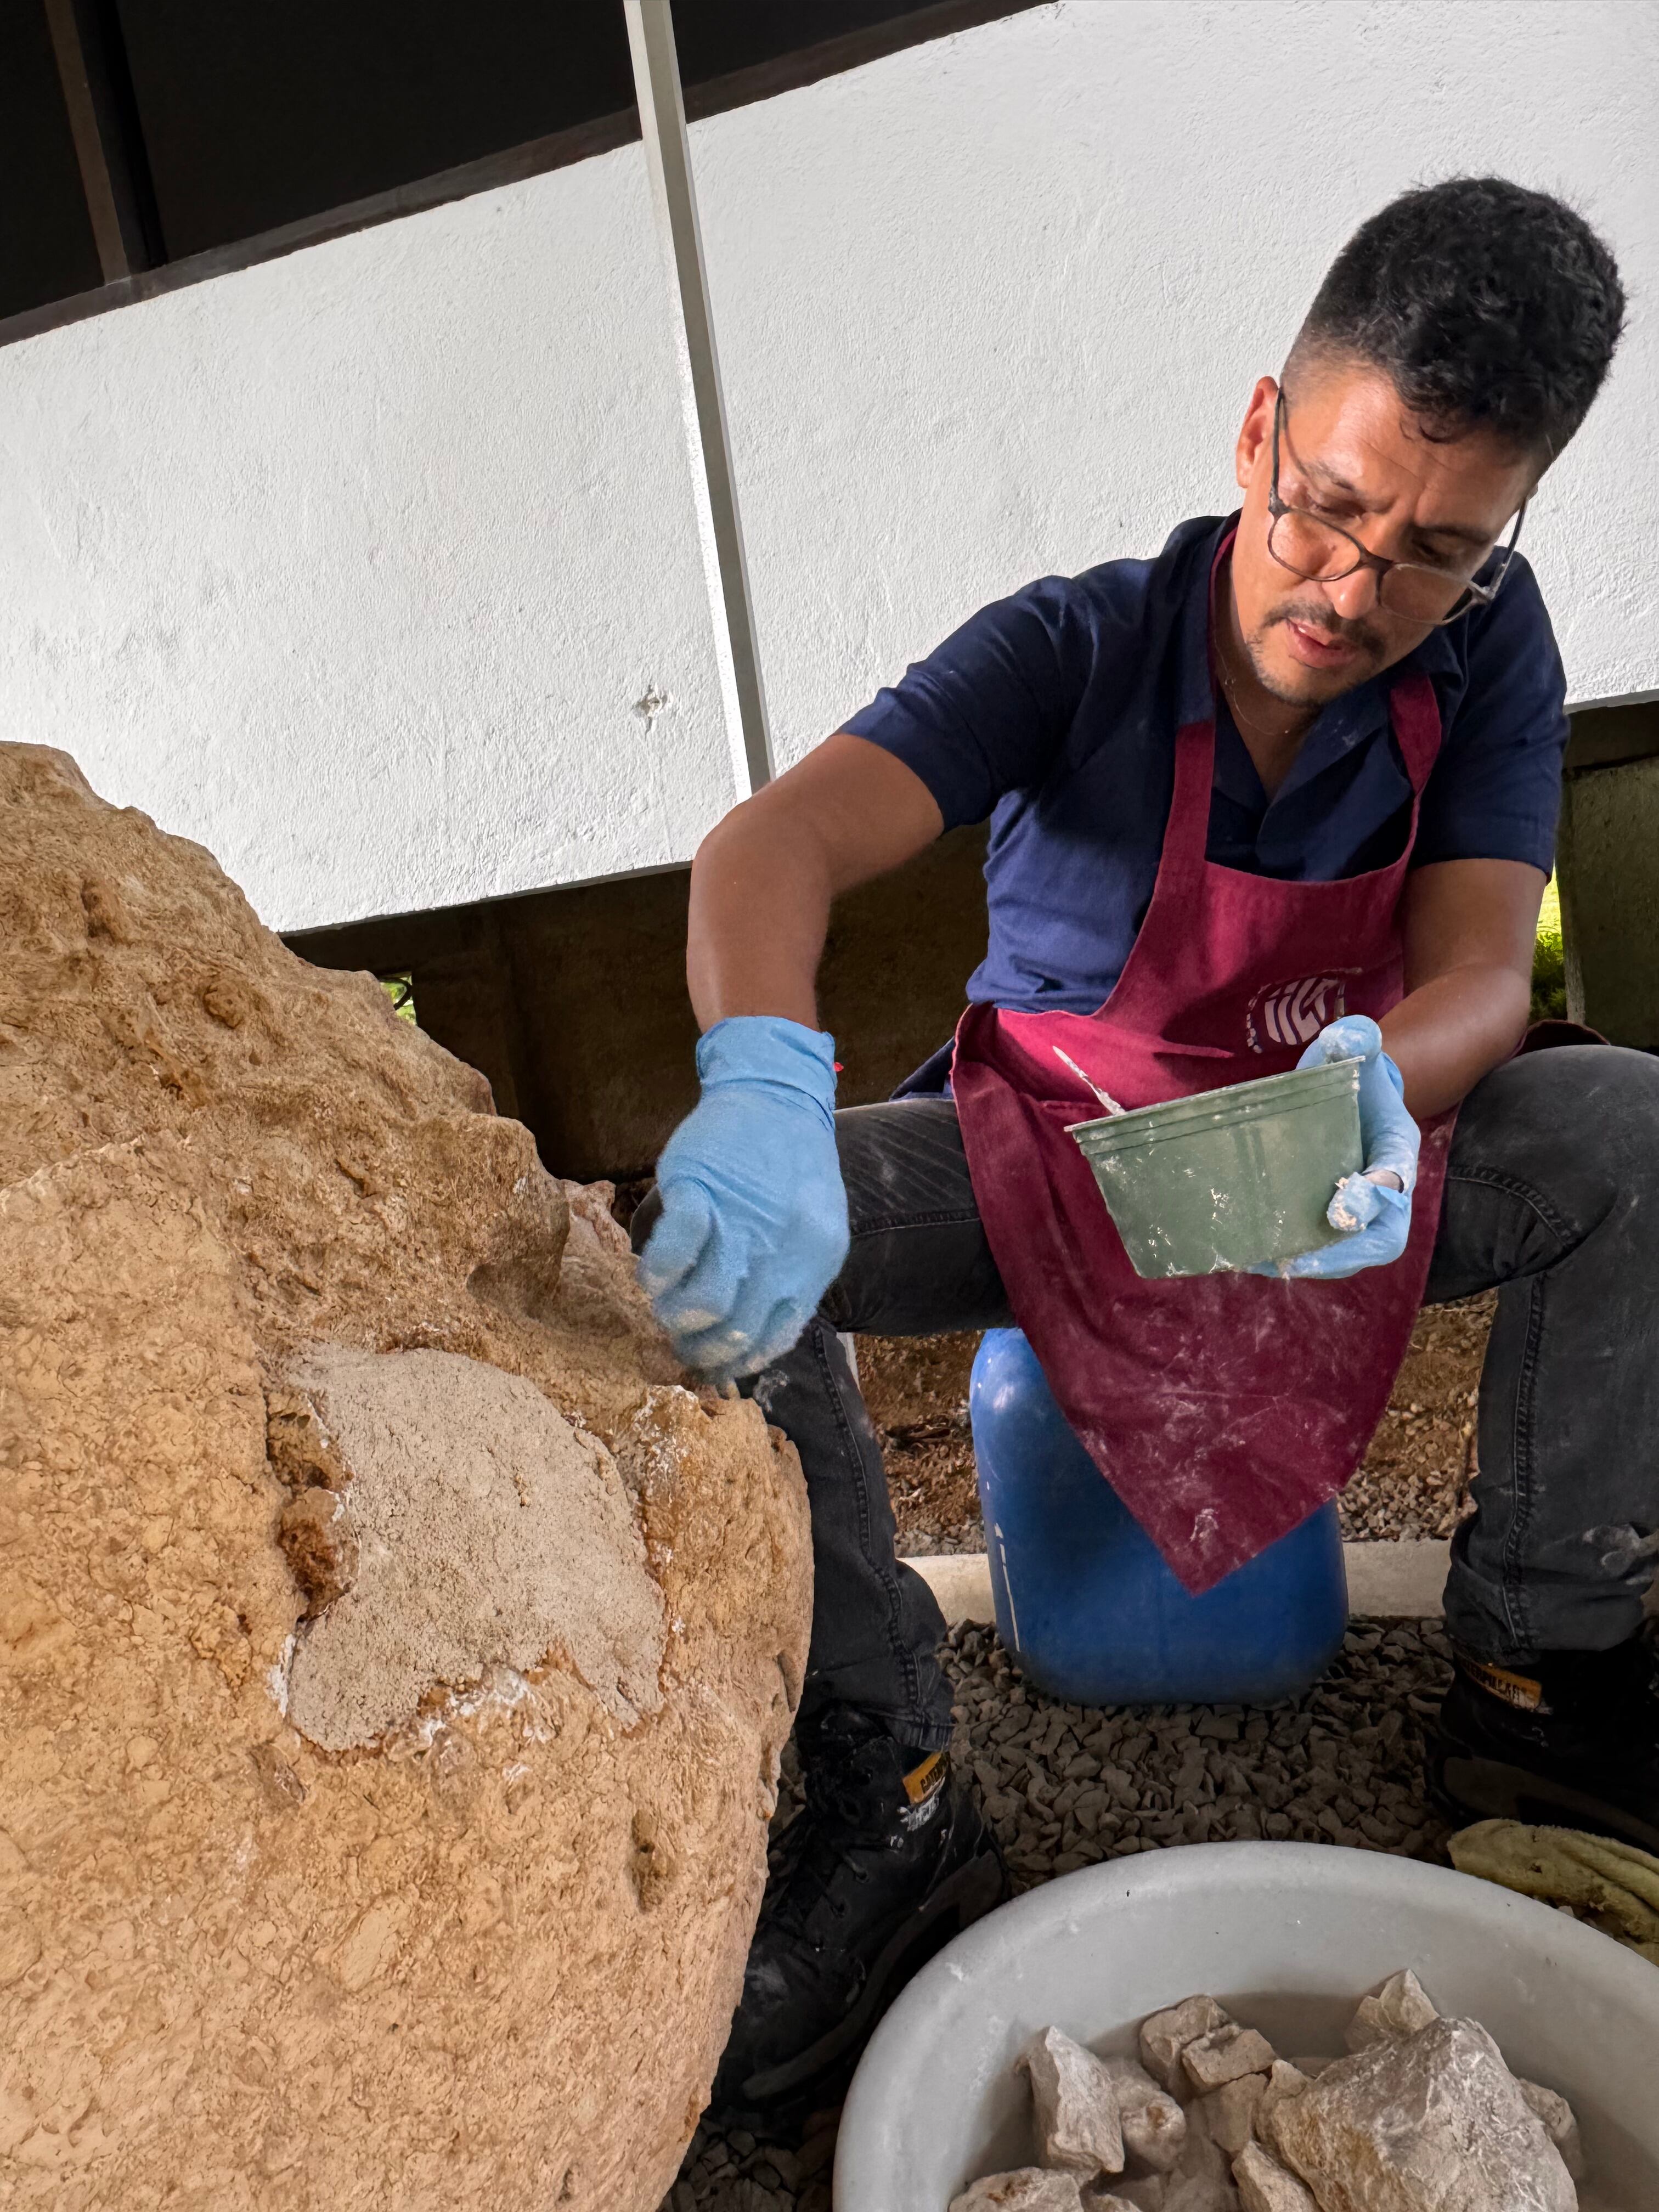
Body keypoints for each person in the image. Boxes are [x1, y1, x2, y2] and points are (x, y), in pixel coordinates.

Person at [631, 176, 1651, 2126]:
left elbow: (1477, 983)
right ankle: (892, 1778)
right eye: (1330, 508)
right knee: (724, 1253)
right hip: (1054, 1179)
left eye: (1438, 550)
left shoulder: (1489, 660)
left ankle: (1546, 1687)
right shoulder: (1081, 646)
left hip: (1328, 1170)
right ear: (1261, 427)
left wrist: (1377, 1081)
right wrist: (760, 1080)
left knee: (1629, 1128)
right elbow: (772, 848)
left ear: (1507, 531)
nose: (1353, 593)